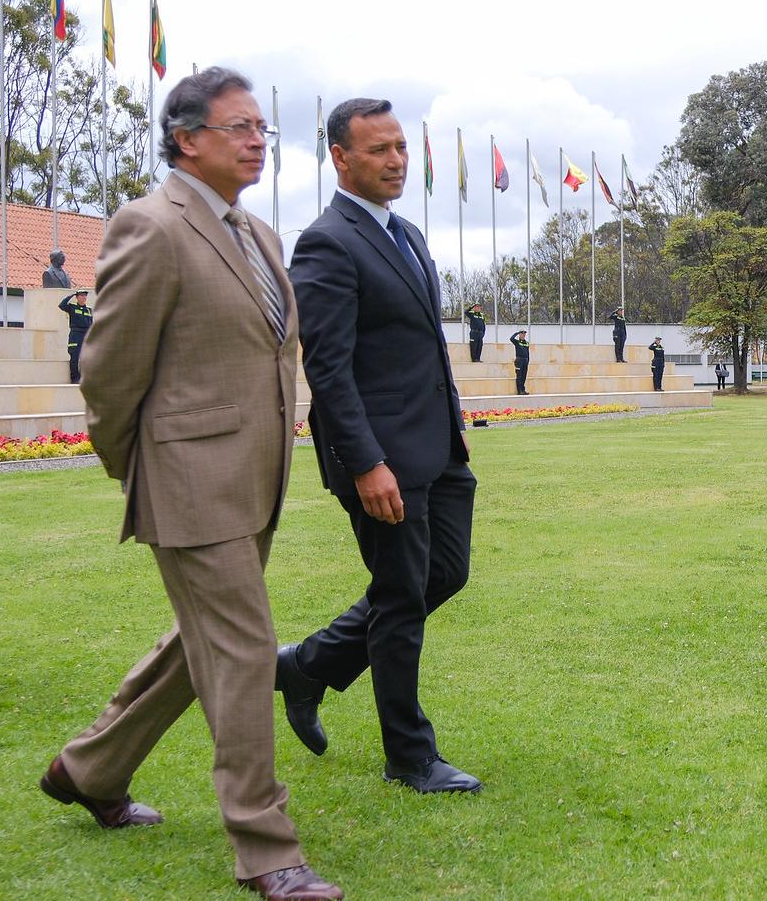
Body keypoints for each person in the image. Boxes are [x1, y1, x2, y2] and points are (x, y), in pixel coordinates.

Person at [39, 69, 343, 901]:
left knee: (200, 643)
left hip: (255, 478)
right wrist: (141, 467)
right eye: (239, 127)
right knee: (243, 650)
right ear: (186, 139)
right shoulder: (151, 225)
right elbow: (109, 371)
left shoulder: (259, 233)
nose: (257, 141)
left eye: (261, 129)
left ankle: (88, 768)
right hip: (189, 480)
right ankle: (266, 847)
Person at [275, 97, 484, 812]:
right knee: (400, 597)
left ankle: (308, 665)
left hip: (437, 447)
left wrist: (454, 421)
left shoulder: (407, 234)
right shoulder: (327, 243)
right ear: (340, 157)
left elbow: (420, 343)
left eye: (401, 147)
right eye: (379, 150)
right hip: (380, 459)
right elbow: (328, 367)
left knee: (443, 573)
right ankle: (410, 755)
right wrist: (365, 463)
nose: (397, 161)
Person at [57, 291, 93, 384]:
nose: (84, 297)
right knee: (75, 357)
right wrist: (71, 295)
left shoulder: (89, 310)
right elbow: (61, 305)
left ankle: (84, 378)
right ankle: (75, 379)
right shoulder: (72, 307)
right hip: (75, 335)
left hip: (86, 335)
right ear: (77, 297)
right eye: (81, 295)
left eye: (85, 296)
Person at [511, 330, 531, 395]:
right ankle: (520, 390)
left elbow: (527, 352)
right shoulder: (517, 342)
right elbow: (511, 338)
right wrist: (517, 333)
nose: (523, 335)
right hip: (519, 360)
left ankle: (523, 389)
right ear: (519, 335)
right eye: (522, 334)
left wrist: (528, 360)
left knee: (524, 376)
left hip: (525, 360)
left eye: (524, 334)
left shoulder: (526, 343)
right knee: (519, 375)